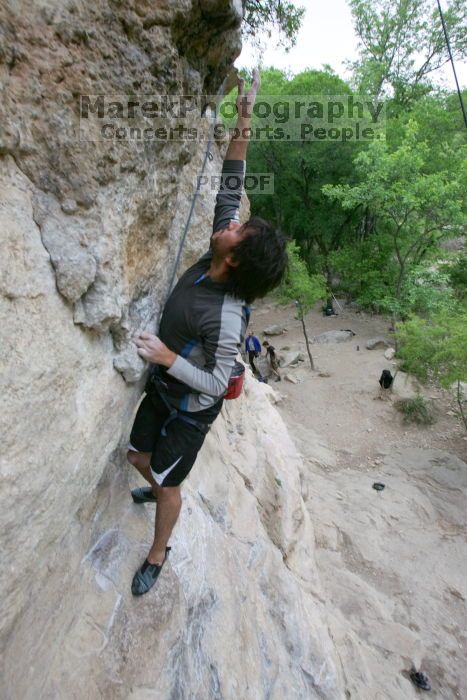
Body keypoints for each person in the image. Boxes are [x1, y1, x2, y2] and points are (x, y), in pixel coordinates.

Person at [126, 70, 288, 596]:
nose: (230, 220)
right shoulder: (220, 250)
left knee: (168, 482)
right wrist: (245, 115)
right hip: (166, 383)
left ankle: (158, 551)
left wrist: (168, 356)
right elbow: (233, 179)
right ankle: (159, 484)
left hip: (189, 408)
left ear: (235, 256)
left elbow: (219, 383)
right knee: (137, 459)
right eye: (237, 221)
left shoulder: (227, 314)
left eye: (238, 228)